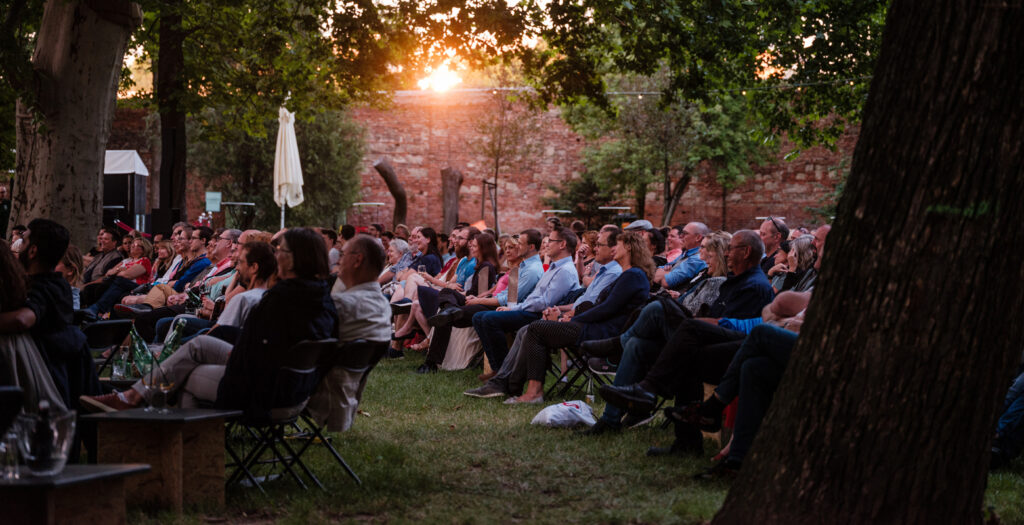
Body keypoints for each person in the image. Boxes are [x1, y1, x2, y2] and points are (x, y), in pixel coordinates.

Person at [81, 228, 337, 419]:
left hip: (265, 391)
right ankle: (136, 401)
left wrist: (225, 350)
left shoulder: (280, 300)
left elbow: (252, 353)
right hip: (298, 389)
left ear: (294, 259)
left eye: (280, 251)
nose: (276, 256)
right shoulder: (323, 299)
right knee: (199, 345)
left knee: (183, 375)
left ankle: (177, 441)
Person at [504, 230, 652, 403]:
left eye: (615, 245)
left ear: (628, 248)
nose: (612, 250)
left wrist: (571, 319)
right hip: (595, 326)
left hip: (603, 333)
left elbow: (606, 308)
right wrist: (567, 317)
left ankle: (530, 391)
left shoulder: (633, 275)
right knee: (533, 328)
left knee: (536, 328)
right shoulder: (630, 275)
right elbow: (598, 305)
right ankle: (515, 387)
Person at [0, 219, 99, 408]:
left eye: (24, 241)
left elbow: (23, 319)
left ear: (32, 251)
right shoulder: (58, 285)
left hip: (45, 382)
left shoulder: (44, 288)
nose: (18, 247)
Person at [472, 228, 580, 371]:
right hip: (529, 308)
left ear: (562, 245)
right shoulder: (553, 267)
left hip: (542, 315)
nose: (546, 244)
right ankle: (500, 369)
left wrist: (514, 308)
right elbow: (531, 296)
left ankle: (503, 371)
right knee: (478, 317)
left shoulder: (562, 270)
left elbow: (544, 302)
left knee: (487, 318)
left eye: (551, 241)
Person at [415, 233, 500, 373]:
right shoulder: (480, 265)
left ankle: (431, 364)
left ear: (483, 248)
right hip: (473, 299)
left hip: (481, 304)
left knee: (446, 307)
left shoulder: (486, 267)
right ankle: (449, 309)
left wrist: (460, 294)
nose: (471, 247)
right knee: (446, 294)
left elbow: (479, 294)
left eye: (474, 245)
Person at [653, 222, 710, 290]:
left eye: (685, 233)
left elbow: (666, 282)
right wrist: (668, 273)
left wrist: (667, 272)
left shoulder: (697, 259)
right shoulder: (685, 254)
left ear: (698, 237)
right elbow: (656, 273)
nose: (681, 236)